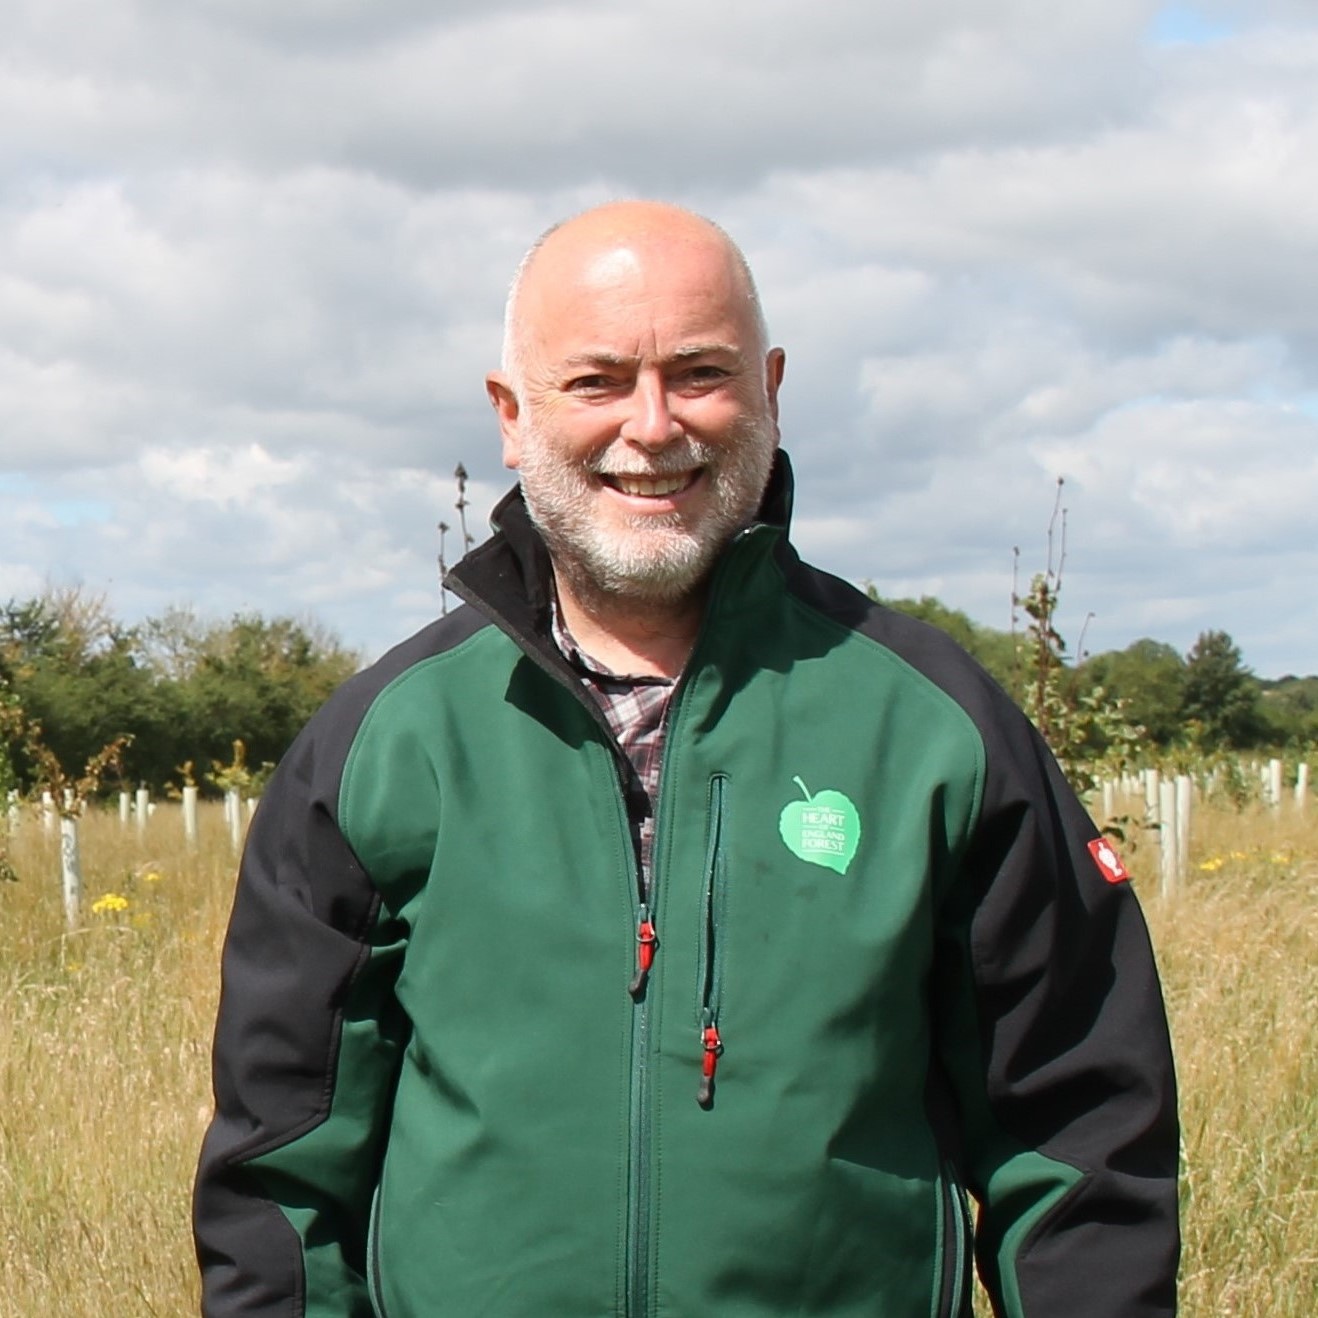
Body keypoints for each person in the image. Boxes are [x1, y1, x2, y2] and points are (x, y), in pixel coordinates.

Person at [194, 201, 1179, 1317]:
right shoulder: (382, 743)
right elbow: (280, 1172)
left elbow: (1079, 1134)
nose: (653, 426)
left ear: (769, 390)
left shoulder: (935, 728)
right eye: (599, 380)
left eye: (699, 373)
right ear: (511, 414)